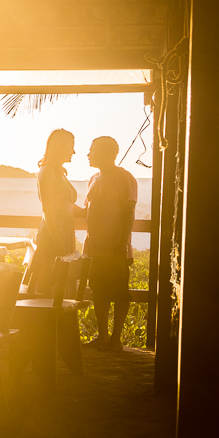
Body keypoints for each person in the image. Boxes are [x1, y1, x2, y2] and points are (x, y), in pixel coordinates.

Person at [81, 136, 138, 351]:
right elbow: (89, 209)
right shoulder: (94, 178)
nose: (88, 154)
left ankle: (116, 339)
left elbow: (128, 212)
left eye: (92, 150)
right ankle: (103, 336)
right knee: (98, 291)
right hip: (94, 246)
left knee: (120, 292)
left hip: (115, 247)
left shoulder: (125, 178)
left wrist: (122, 244)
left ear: (106, 154)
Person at [30, 129, 77, 295]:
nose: (74, 151)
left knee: (63, 282)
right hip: (53, 234)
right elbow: (48, 209)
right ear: (60, 147)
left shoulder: (59, 173)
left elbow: (65, 205)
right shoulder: (48, 172)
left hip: (65, 232)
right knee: (51, 281)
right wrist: (58, 241)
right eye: (71, 146)